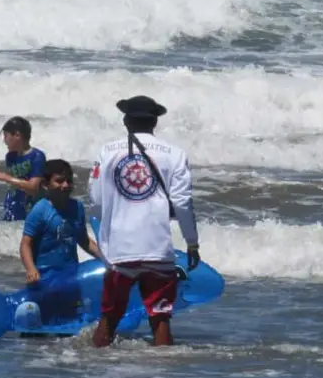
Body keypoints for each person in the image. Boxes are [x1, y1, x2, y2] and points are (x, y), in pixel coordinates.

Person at [88, 95, 200, 348]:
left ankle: (93, 373)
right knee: (160, 317)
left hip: (120, 249)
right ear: (155, 123)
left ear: (126, 120)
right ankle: (162, 375)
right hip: (157, 249)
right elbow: (183, 203)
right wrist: (192, 243)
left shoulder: (106, 152)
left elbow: (95, 200)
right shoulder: (175, 154)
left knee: (110, 316)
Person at [20, 159, 102, 285]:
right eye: (59, 181)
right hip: (45, 278)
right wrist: (31, 270)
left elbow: (84, 241)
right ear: (45, 185)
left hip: (71, 276)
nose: (65, 185)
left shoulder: (77, 207)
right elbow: (25, 244)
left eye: (69, 181)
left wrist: (106, 259)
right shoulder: (40, 210)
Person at [0, 116, 46, 221]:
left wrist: (4, 177)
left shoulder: (37, 156)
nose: (4, 140)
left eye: (6, 136)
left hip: (31, 214)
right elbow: (14, 186)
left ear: (17, 135)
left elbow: (33, 188)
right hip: (12, 211)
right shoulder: (10, 157)